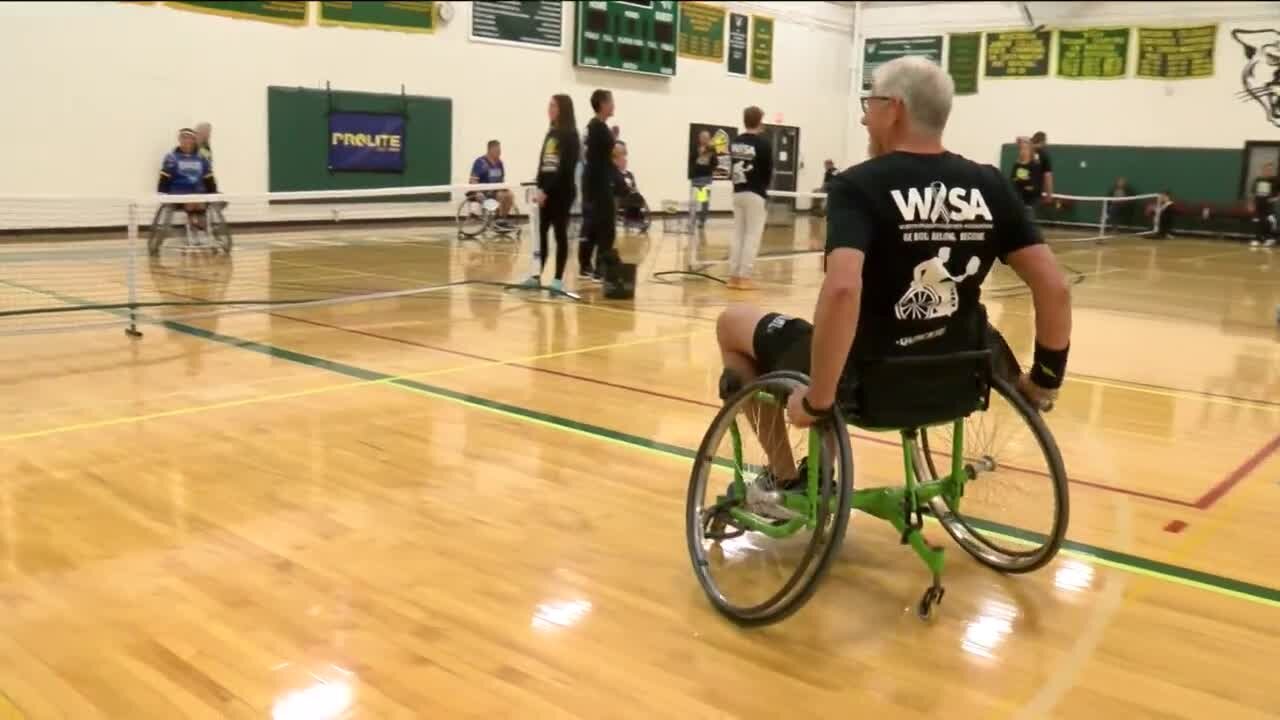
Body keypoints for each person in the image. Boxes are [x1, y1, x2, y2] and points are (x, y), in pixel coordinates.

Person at [713, 56, 1071, 489]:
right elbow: (1054, 287)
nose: (865, 118)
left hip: (867, 383)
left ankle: (784, 477)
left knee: (732, 322)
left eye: (870, 104)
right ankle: (813, 463)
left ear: (894, 108)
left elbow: (844, 289)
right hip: (959, 379)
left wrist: (818, 400)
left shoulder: (857, 185)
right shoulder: (991, 184)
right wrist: (1044, 381)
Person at [528, 95, 580, 291]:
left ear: (563, 109)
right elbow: (544, 163)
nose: (549, 108)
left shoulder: (570, 135)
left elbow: (564, 168)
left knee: (560, 234)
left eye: (553, 105)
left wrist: (548, 191)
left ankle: (558, 279)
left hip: (562, 192)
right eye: (549, 104)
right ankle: (536, 275)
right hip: (546, 193)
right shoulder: (551, 133)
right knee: (540, 235)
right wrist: (539, 188)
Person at [727, 105, 773, 290]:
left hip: (738, 190)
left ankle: (733, 276)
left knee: (738, 234)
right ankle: (745, 276)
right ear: (759, 121)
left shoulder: (735, 142)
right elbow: (767, 169)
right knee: (752, 236)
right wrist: (763, 186)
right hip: (755, 192)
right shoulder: (763, 144)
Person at [579, 89, 617, 281]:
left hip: (589, 182)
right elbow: (607, 159)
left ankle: (585, 265)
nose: (613, 105)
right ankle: (601, 269)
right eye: (611, 102)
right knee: (606, 228)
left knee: (591, 226)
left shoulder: (591, 127)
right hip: (599, 184)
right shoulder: (600, 128)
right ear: (602, 104)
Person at [158, 128, 218, 229]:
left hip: (198, 193)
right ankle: (194, 221)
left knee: (200, 202)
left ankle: (199, 223)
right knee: (191, 201)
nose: (187, 141)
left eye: (189, 138)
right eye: (184, 138)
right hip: (178, 193)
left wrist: (214, 194)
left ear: (194, 140)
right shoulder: (172, 157)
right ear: (179, 140)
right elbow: (164, 177)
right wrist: (162, 194)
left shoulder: (201, 158)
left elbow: (209, 178)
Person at [470, 139, 513, 227]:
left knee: (510, 195)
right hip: (484, 194)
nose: (499, 153)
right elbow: (473, 180)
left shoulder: (499, 163)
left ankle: (502, 219)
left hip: (496, 191)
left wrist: (505, 188)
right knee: (501, 195)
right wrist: (477, 192)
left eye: (500, 151)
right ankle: (498, 218)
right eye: (497, 151)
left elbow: (501, 179)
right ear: (490, 150)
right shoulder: (480, 162)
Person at [1010, 139, 1040, 222]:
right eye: (1021, 149)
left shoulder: (1034, 165)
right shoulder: (1017, 165)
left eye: (1026, 149)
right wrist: (1024, 182)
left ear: (1030, 151)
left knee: (1028, 222)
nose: (1023, 151)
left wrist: (1019, 181)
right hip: (1017, 199)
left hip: (1029, 201)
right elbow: (1012, 181)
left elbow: (1033, 186)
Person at [1249, 162, 1277, 248]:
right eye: (1266, 169)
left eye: (1269, 170)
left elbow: (1278, 193)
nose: (1267, 171)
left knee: (1268, 221)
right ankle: (1257, 239)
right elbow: (1253, 193)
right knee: (1258, 221)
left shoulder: (1275, 180)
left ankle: (1270, 239)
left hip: (1269, 206)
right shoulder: (1258, 180)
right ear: (1263, 170)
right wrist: (1252, 203)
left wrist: (1274, 199)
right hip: (1259, 204)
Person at [691, 130, 715, 227]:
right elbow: (691, 160)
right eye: (703, 137)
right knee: (694, 200)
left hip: (705, 179)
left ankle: (702, 221)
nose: (705, 140)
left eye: (707, 138)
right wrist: (698, 154)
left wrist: (710, 159)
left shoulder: (711, 149)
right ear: (699, 138)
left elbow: (715, 163)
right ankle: (692, 219)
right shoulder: (695, 148)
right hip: (696, 178)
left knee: (703, 200)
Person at [1030, 130, 1054, 201]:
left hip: (1020, 192)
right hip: (1034, 193)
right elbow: (1048, 176)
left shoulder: (1025, 152)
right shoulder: (1044, 155)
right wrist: (1049, 194)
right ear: (1042, 141)